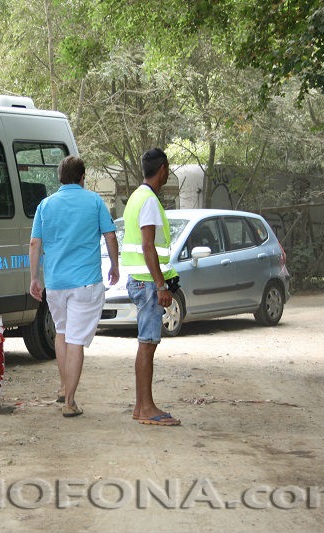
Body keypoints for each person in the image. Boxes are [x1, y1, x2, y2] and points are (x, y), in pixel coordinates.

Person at [29, 156, 119, 417]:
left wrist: (35, 278)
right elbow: (110, 235)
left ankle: (63, 387)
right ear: (82, 177)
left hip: (56, 283)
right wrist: (114, 265)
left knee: (62, 334)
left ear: (59, 178)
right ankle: (69, 401)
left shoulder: (45, 205)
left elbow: (35, 244)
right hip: (85, 282)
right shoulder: (93, 201)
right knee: (76, 340)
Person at [123, 148, 181, 426]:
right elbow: (148, 246)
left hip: (142, 281)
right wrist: (161, 285)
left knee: (147, 343)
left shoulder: (138, 196)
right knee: (147, 344)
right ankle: (146, 407)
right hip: (147, 284)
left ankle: (141, 406)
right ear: (163, 170)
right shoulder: (148, 201)